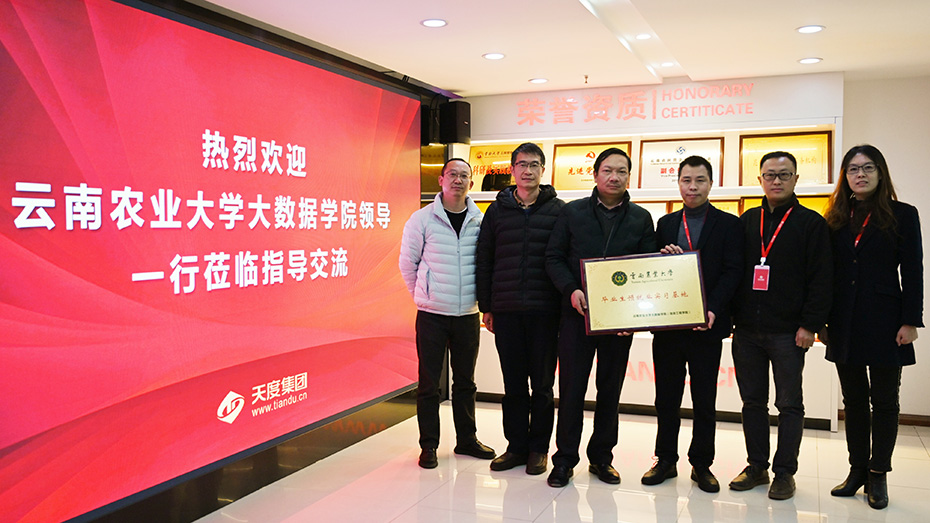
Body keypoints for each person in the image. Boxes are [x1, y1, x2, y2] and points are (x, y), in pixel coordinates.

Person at [545, 147, 657, 488]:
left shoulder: (641, 218)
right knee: (572, 389)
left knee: (610, 390)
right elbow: (553, 257)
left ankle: (602, 458)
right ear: (595, 175)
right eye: (608, 170)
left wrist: (634, 315)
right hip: (576, 315)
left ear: (629, 177)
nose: (614, 177)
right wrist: (570, 289)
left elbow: (646, 269)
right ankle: (565, 459)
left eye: (622, 171)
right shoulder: (572, 212)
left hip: (619, 321)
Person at [822, 145, 923, 510]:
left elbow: (913, 269)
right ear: (845, 176)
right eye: (853, 169)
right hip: (843, 320)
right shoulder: (835, 217)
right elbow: (826, 273)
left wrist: (911, 320)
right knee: (853, 401)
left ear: (880, 173)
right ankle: (857, 470)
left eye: (867, 168)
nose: (860, 174)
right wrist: (822, 321)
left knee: (884, 401)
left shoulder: (902, 214)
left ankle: (878, 473)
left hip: (886, 320)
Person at [729, 151, 832, 500]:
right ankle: (757, 466)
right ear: (759, 179)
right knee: (752, 402)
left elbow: (821, 279)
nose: (776, 181)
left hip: (789, 332)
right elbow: (734, 272)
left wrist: (810, 325)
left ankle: (785, 472)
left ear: (796, 179)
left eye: (784, 175)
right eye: (770, 175)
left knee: (789, 404)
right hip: (746, 330)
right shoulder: (748, 220)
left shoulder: (811, 223)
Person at [641, 156, 743, 493]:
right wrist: (662, 259)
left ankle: (702, 464)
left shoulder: (728, 224)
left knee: (704, 398)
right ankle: (665, 459)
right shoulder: (666, 223)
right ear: (679, 183)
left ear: (711, 184)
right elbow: (651, 271)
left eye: (700, 180)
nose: (693, 187)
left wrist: (713, 308)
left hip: (707, 326)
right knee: (666, 398)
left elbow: (732, 271)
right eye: (686, 180)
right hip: (669, 326)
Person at [399, 158, 496, 469]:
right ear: (441, 180)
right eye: (452, 174)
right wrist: (424, 295)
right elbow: (407, 264)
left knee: (465, 381)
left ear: (471, 183)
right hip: (432, 314)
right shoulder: (421, 219)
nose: (458, 180)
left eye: (464, 175)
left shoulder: (480, 220)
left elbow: (486, 265)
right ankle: (429, 445)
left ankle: (466, 439)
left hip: (467, 313)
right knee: (429, 383)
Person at [476, 142, 565, 476]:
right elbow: (484, 259)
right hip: (507, 310)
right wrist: (487, 305)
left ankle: (539, 449)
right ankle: (515, 447)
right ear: (512, 170)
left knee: (542, 386)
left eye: (534, 165)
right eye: (522, 164)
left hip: (545, 312)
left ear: (543, 169)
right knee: (513, 385)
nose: (528, 171)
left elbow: (564, 259)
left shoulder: (558, 211)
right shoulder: (496, 211)